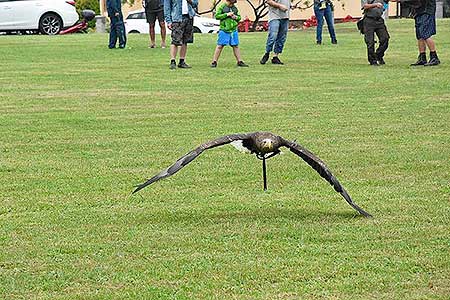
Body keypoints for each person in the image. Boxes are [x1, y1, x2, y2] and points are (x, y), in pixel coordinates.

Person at [211, 0, 249, 68]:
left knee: (235, 46)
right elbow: (217, 16)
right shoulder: (222, 7)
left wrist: (236, 17)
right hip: (224, 30)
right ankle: (214, 62)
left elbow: (239, 17)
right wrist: (227, 14)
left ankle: (239, 61)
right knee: (220, 46)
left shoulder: (235, 8)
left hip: (233, 30)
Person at [164, 0, 198, 69]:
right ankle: (173, 61)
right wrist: (168, 21)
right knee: (175, 40)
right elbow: (167, 7)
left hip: (189, 17)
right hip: (177, 18)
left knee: (185, 41)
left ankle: (182, 61)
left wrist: (190, 1)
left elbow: (195, 3)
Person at [409, 0, 440, 66]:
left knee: (425, 34)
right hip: (418, 11)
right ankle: (422, 58)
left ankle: (434, 57)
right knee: (419, 36)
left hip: (426, 11)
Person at [260, 0, 290, 65]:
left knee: (282, 38)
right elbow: (268, 1)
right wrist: (279, 6)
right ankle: (267, 53)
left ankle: (275, 57)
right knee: (273, 36)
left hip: (285, 16)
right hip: (274, 16)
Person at [361, 0, 390, 65]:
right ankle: (372, 61)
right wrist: (375, 5)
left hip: (379, 20)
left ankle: (378, 55)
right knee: (370, 42)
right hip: (369, 20)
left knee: (385, 38)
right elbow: (364, 6)